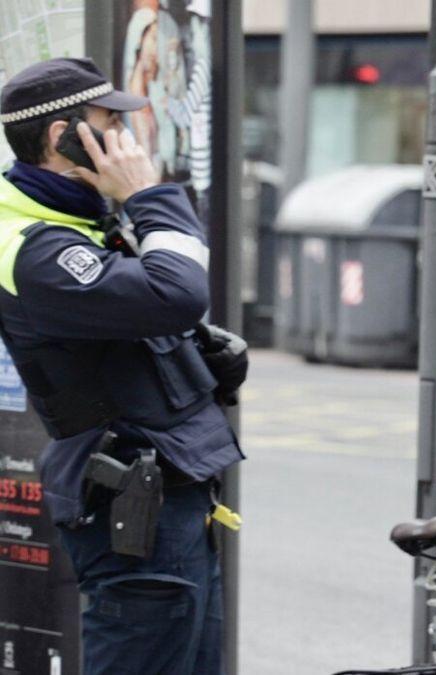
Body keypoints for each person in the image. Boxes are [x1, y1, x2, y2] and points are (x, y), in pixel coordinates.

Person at [0, 58, 245, 674]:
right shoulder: (35, 247)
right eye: (111, 124)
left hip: (173, 490)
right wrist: (150, 196)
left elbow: (154, 320)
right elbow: (178, 292)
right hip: (134, 506)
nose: (129, 142)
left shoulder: (81, 218)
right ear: (62, 138)